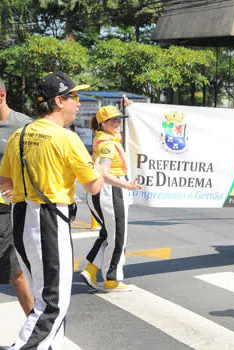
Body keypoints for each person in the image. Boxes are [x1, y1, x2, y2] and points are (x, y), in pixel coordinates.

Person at [0, 72, 105, 349]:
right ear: (59, 101)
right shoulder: (65, 139)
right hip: (48, 220)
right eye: (74, 97)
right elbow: (94, 186)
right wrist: (102, 168)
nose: (79, 103)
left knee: (43, 293)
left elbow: (6, 181)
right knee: (53, 303)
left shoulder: (20, 134)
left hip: (20, 217)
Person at [80, 105, 141, 292]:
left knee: (109, 233)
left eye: (118, 119)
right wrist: (126, 185)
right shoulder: (107, 143)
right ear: (102, 123)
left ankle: (91, 270)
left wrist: (127, 105)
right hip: (111, 191)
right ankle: (112, 280)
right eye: (112, 120)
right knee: (118, 236)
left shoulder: (106, 138)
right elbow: (103, 172)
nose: (117, 123)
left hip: (104, 192)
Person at [0, 77, 34, 317]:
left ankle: (39, 330)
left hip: (7, 210)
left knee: (15, 271)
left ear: (1, 95)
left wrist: (18, 186)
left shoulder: (22, 126)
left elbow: (35, 166)